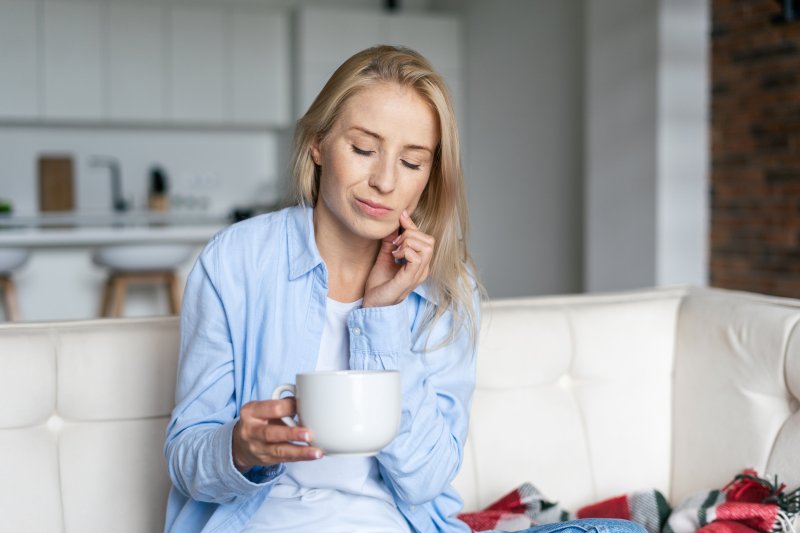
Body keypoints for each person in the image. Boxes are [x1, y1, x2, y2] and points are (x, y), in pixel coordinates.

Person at [163, 45, 647, 533]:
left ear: (429, 176)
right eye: (363, 149)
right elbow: (187, 460)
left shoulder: (446, 288)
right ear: (317, 144)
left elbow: (426, 480)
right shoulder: (237, 260)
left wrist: (382, 316)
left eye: (412, 162)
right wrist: (240, 449)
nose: (385, 181)